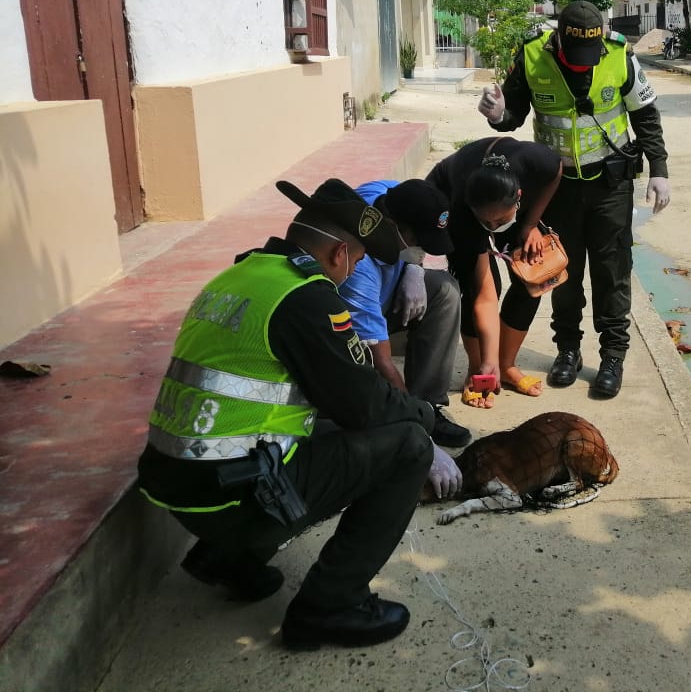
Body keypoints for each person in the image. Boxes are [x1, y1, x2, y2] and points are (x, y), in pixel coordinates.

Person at [136, 178, 462, 650]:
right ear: (338, 255)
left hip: (175, 480)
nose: (354, 272)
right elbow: (367, 405)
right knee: (407, 446)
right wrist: (425, 420)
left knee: (321, 428)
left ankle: (226, 559)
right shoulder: (309, 299)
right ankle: (329, 607)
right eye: (357, 260)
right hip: (232, 494)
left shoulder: (240, 275)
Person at [477, 0, 671, 398]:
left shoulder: (619, 56)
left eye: (591, 54)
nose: (584, 63)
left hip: (610, 185)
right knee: (561, 271)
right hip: (556, 187)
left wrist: (660, 170)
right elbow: (512, 115)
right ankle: (568, 351)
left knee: (612, 272)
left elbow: (646, 116)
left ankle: (612, 356)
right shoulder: (533, 55)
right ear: (559, 42)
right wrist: (497, 114)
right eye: (575, 55)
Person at [424, 136, 563, 407]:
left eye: (499, 220)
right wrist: (487, 362)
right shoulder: (464, 213)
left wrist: (529, 224)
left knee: (531, 277)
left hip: (506, 201)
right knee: (482, 286)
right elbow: (485, 297)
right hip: (450, 193)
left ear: (520, 196)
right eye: (486, 221)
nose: (492, 225)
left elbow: (556, 172)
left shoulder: (538, 161)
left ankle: (507, 365)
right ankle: (479, 370)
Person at [338, 178, 469, 447]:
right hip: (351, 329)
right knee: (368, 401)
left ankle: (428, 404)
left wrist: (414, 268)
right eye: (416, 241)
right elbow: (382, 361)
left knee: (445, 291)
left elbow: (414, 195)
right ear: (392, 226)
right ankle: (414, 416)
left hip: (393, 291)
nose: (420, 248)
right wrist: (416, 426)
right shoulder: (358, 270)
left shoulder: (382, 194)